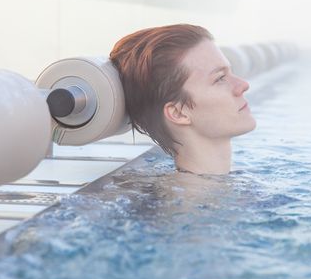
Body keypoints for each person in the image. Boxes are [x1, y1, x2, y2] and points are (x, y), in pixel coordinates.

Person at [110, 24, 256, 175]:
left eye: (230, 72)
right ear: (178, 113)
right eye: (220, 78)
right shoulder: (197, 198)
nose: (243, 85)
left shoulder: (221, 188)